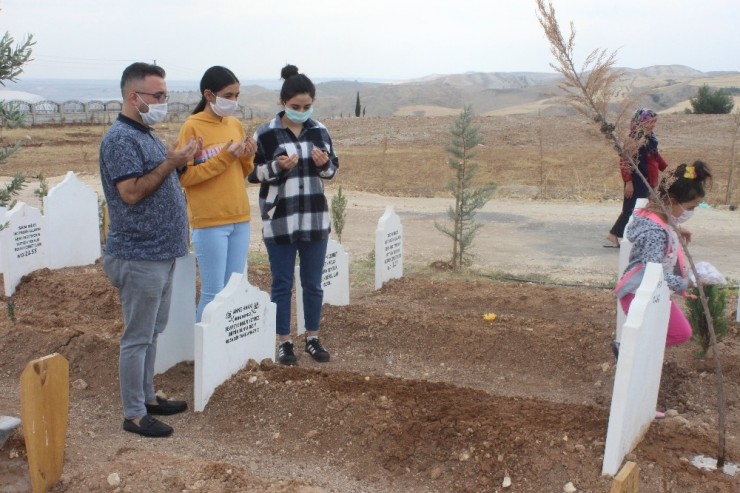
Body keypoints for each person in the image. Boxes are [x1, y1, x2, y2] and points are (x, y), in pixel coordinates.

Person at [100, 62, 199, 438]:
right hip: (138, 254)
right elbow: (131, 192)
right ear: (133, 96)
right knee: (138, 336)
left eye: (165, 95)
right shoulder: (119, 140)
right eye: (157, 95)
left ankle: (147, 398)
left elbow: (163, 176)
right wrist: (171, 162)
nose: (163, 102)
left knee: (153, 331)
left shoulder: (147, 133)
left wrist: (178, 161)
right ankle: (134, 414)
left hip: (160, 252)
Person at [250, 64, 339, 366]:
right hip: (280, 221)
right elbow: (254, 173)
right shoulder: (266, 133)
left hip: (315, 221)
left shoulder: (320, 131)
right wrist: (278, 167)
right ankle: (284, 342)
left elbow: (331, 172)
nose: (302, 111)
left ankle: (312, 337)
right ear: (283, 103)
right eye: (295, 107)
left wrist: (323, 164)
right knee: (282, 284)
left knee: (313, 283)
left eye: (308, 106)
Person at [177, 66, 256, 322]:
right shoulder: (192, 127)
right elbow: (186, 177)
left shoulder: (235, 124)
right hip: (210, 221)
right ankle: (202, 355)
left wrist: (247, 155)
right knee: (214, 293)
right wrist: (225, 157)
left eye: (236, 95)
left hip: (239, 217)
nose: (234, 101)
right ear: (209, 95)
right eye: (229, 95)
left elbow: (241, 171)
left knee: (233, 292)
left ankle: (224, 354)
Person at [614, 161, 712, 354]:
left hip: (651, 292)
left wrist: (675, 228)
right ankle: (627, 351)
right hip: (640, 293)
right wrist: (687, 282)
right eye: (691, 207)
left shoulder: (656, 217)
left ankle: (631, 351)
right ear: (672, 201)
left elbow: (659, 221)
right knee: (679, 333)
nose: (691, 212)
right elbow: (653, 273)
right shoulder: (655, 233)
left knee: (676, 332)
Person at [605, 108, 668, 247]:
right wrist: (628, 182)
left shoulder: (650, 138)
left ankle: (632, 236)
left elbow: (656, 157)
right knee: (631, 208)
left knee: (642, 209)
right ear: (641, 122)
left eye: (654, 122)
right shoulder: (633, 139)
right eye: (650, 122)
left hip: (648, 179)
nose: (653, 125)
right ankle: (613, 234)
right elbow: (624, 161)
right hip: (636, 179)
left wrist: (667, 169)